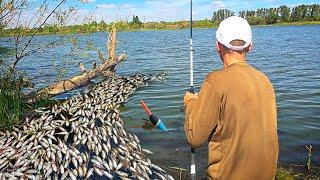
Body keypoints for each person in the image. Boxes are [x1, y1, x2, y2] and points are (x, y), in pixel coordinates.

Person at [183, 16, 279, 180]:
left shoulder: (214, 81)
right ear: (250, 46)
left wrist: (191, 102)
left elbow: (195, 138)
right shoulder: (265, 80)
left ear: (217, 46)